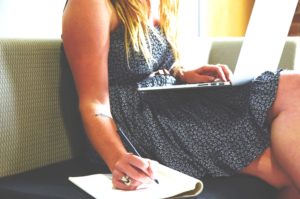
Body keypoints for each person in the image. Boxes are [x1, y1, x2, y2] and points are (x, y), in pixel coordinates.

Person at [62, 0, 300, 198]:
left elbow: (152, 62)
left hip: (168, 100)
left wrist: (184, 74)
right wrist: (117, 159)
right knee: (282, 169)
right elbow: (93, 102)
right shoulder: (92, 4)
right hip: (136, 121)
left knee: (295, 85)